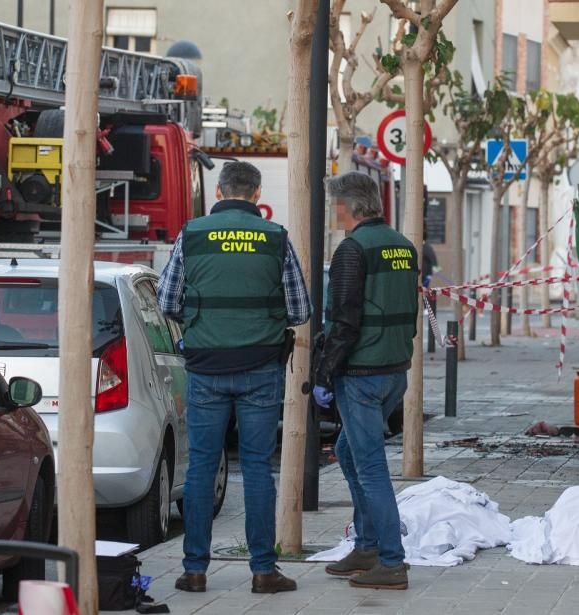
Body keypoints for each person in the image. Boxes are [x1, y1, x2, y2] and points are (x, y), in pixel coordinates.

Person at [158, 161, 309, 594]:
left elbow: (168, 300)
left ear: (220, 193)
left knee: (203, 467)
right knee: (259, 468)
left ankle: (195, 571)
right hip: (261, 367)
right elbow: (299, 310)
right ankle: (263, 570)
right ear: (256, 194)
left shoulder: (192, 234)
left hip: (206, 368)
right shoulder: (276, 237)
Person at [312, 171, 418, 590]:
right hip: (395, 370)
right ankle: (368, 545)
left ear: (348, 207)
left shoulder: (352, 250)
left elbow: (344, 319)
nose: (333, 213)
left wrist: (324, 372)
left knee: (370, 467)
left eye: (334, 205)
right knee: (348, 451)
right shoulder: (403, 247)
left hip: (361, 374)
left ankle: (391, 561)